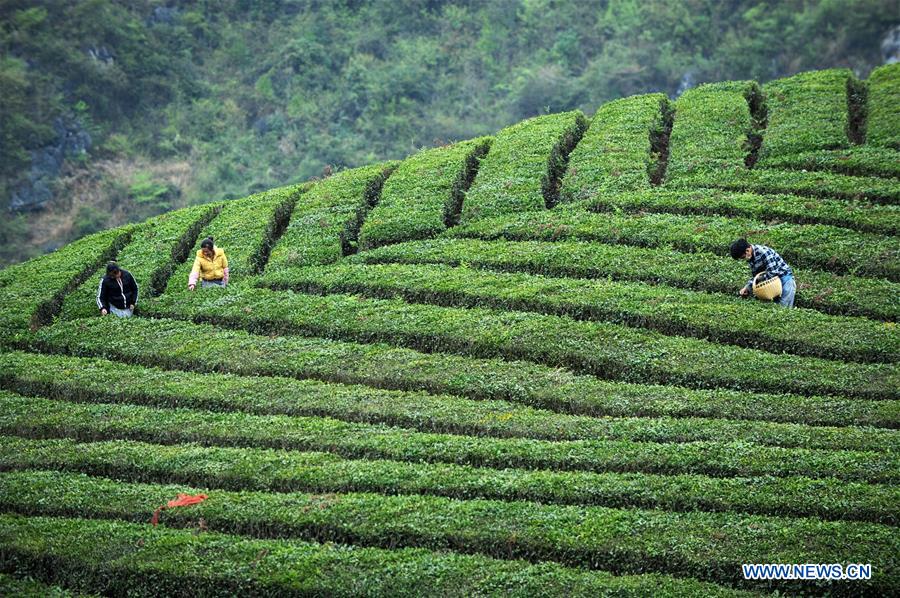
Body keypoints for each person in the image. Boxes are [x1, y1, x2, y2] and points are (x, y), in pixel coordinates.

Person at [730, 238, 796, 308]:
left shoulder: (764, 252)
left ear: (747, 250)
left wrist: (760, 278)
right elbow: (756, 276)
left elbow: (773, 272)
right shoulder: (750, 257)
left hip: (784, 280)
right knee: (775, 310)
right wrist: (747, 287)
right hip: (772, 284)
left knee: (784, 308)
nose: (743, 259)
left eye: (743, 257)